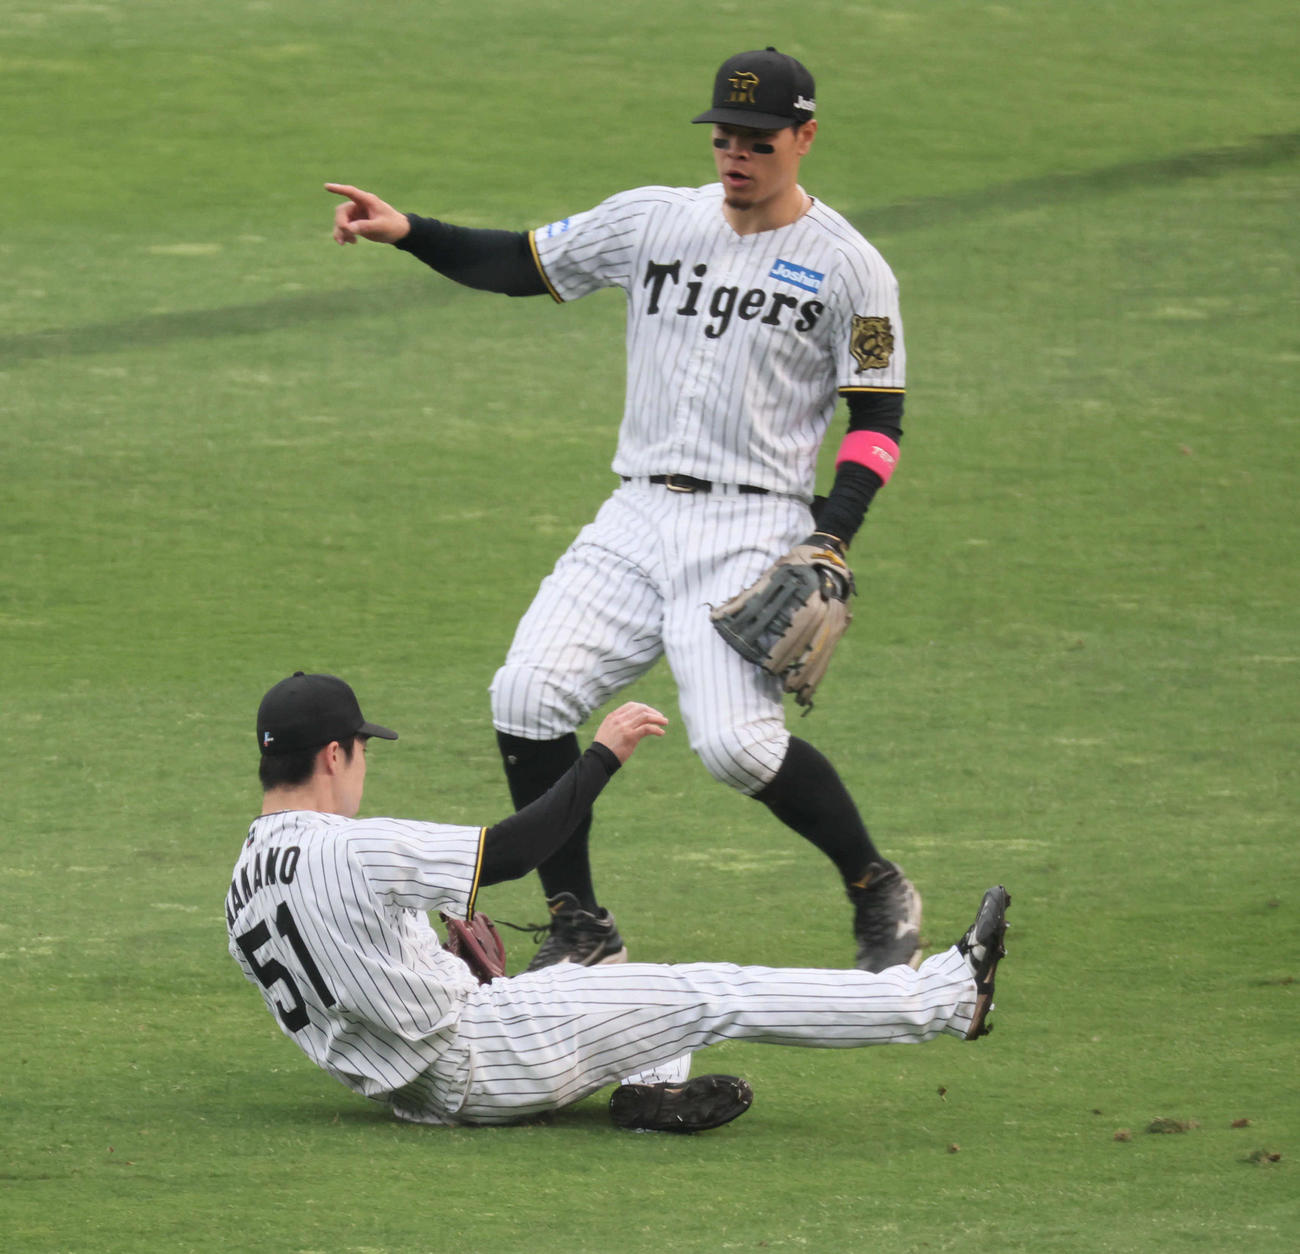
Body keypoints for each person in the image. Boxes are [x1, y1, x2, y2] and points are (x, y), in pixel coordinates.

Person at [325, 47, 921, 973]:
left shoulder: (851, 268)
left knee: (732, 748)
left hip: (755, 527)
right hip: (638, 512)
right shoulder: (655, 220)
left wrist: (833, 532)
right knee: (525, 695)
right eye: (725, 137)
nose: (738, 155)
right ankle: (580, 924)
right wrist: (409, 231)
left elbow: (878, 416)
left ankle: (873, 883)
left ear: (804, 138)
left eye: (759, 142)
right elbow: (522, 263)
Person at [227, 672, 1010, 1130]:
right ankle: (945, 997)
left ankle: (647, 1090)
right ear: (334, 754)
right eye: (361, 749)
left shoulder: (239, 892)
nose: (363, 765)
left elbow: (354, 988)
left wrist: (432, 965)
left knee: (618, 993)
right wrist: (603, 755)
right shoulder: (352, 847)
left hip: (414, 1095)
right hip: (489, 1054)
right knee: (708, 991)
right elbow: (515, 852)